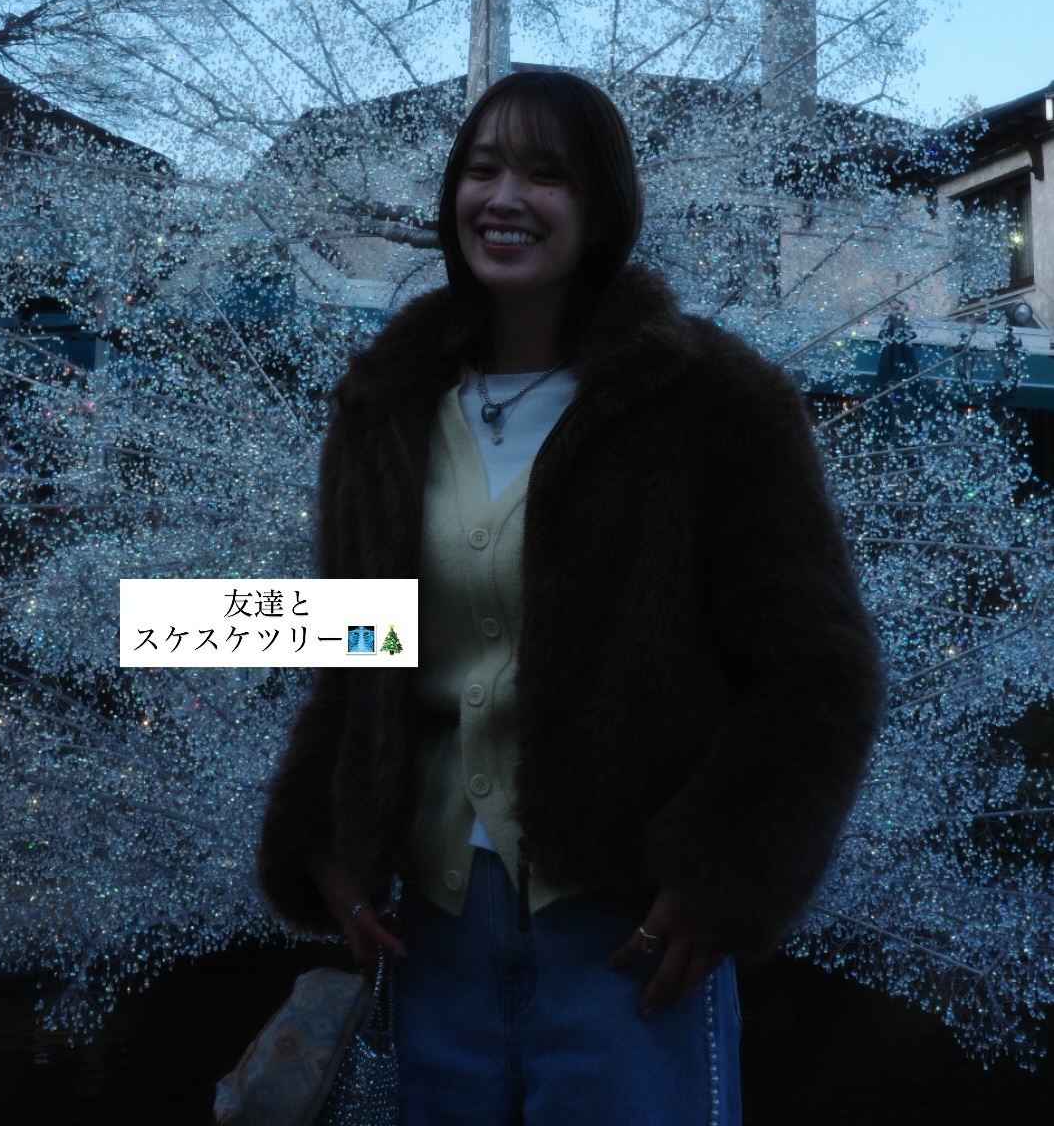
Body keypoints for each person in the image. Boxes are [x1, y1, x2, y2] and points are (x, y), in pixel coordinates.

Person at [256, 69, 883, 1124]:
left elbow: (819, 670)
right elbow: (357, 644)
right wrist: (321, 835)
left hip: (628, 931)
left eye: (546, 174)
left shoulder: (712, 401)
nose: (505, 196)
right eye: (483, 168)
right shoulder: (385, 406)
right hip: (435, 932)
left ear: (601, 207)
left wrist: (725, 870)